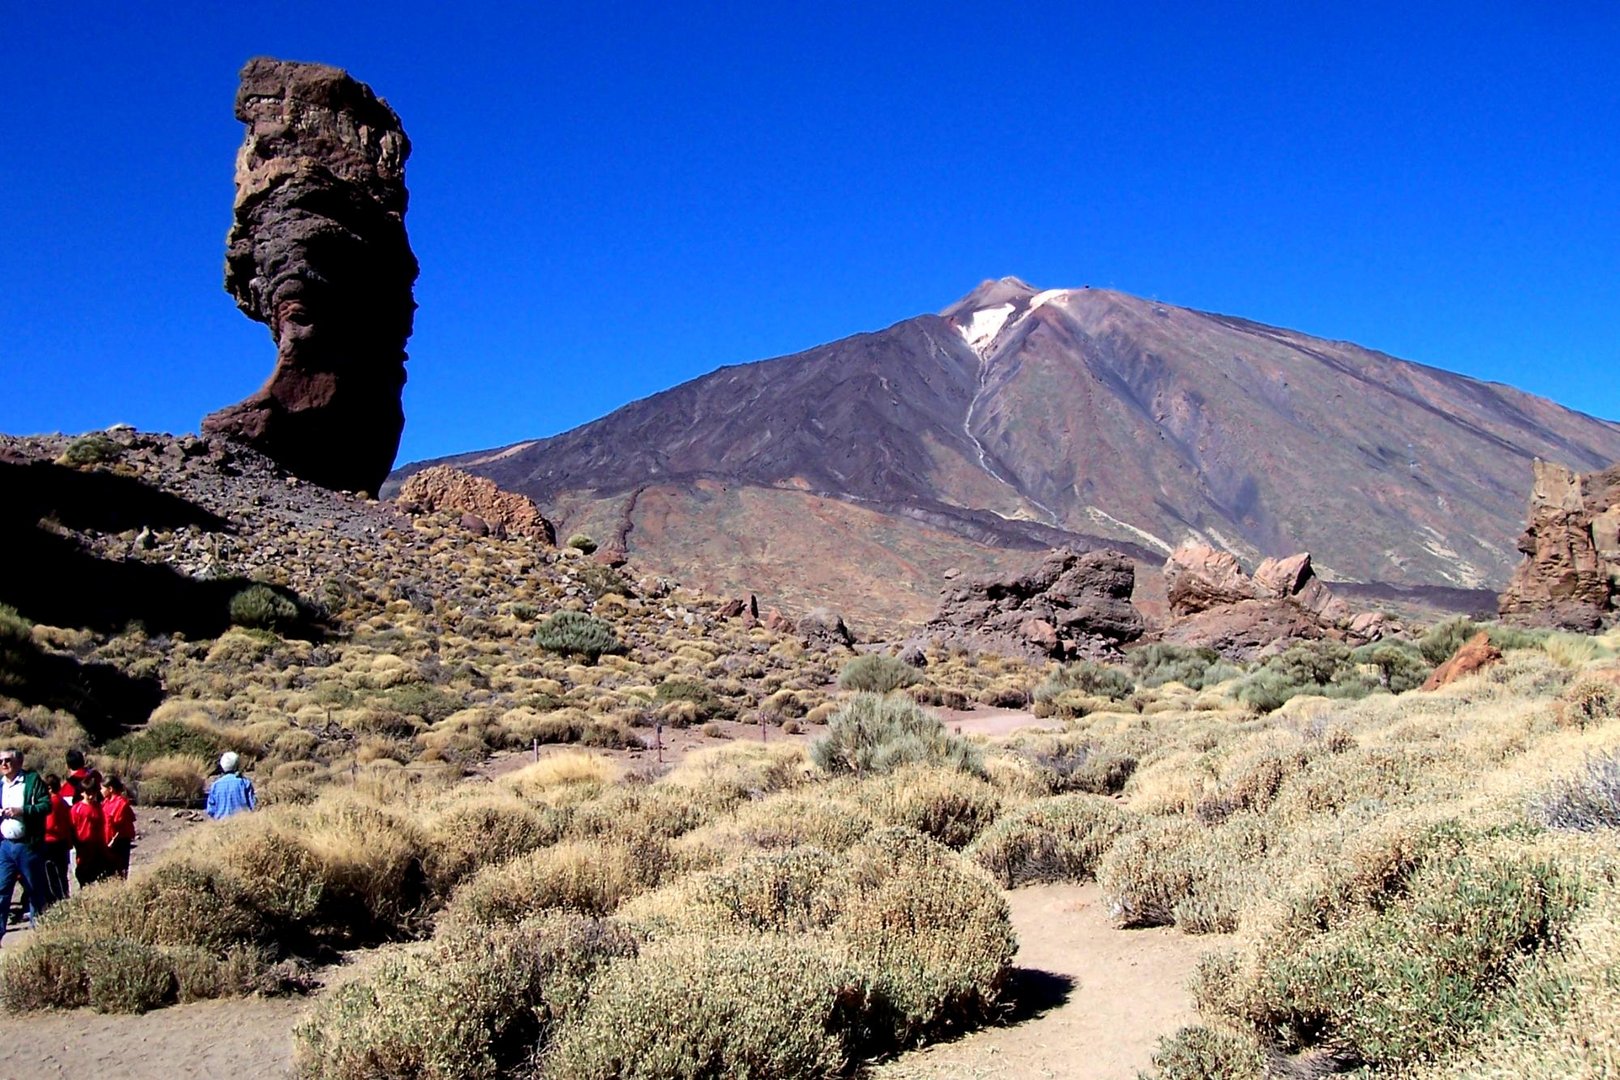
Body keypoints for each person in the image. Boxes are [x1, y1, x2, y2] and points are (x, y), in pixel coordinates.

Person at [0, 747, 57, 941]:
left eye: (7, 760)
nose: (3, 765)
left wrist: (22, 810)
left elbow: (46, 805)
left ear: (18, 762)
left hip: (28, 844)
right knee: (2, 888)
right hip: (6, 845)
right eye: (0, 761)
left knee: (34, 888)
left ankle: (38, 935)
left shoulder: (31, 782)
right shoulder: (0, 785)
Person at [70, 770, 106, 889]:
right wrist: (76, 843)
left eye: (93, 793)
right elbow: (72, 827)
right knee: (83, 873)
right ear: (82, 793)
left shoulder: (98, 807)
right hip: (82, 845)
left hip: (97, 845)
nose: (91, 796)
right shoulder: (77, 809)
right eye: (88, 793)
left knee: (98, 873)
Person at [42, 773, 73, 900]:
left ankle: (57, 899)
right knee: (61, 874)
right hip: (63, 842)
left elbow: (49, 825)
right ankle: (63, 897)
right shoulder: (62, 801)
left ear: (49, 788)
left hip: (51, 842)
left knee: (52, 875)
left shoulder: (51, 803)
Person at [101, 775, 136, 879]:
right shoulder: (106, 802)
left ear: (110, 789)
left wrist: (112, 841)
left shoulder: (121, 803)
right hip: (108, 842)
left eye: (102, 788)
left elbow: (121, 827)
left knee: (119, 873)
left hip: (119, 843)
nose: (100, 790)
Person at [206, 752, 256, 820]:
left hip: (221, 824)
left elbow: (211, 810)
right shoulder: (244, 782)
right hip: (242, 821)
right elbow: (253, 805)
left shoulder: (215, 785)